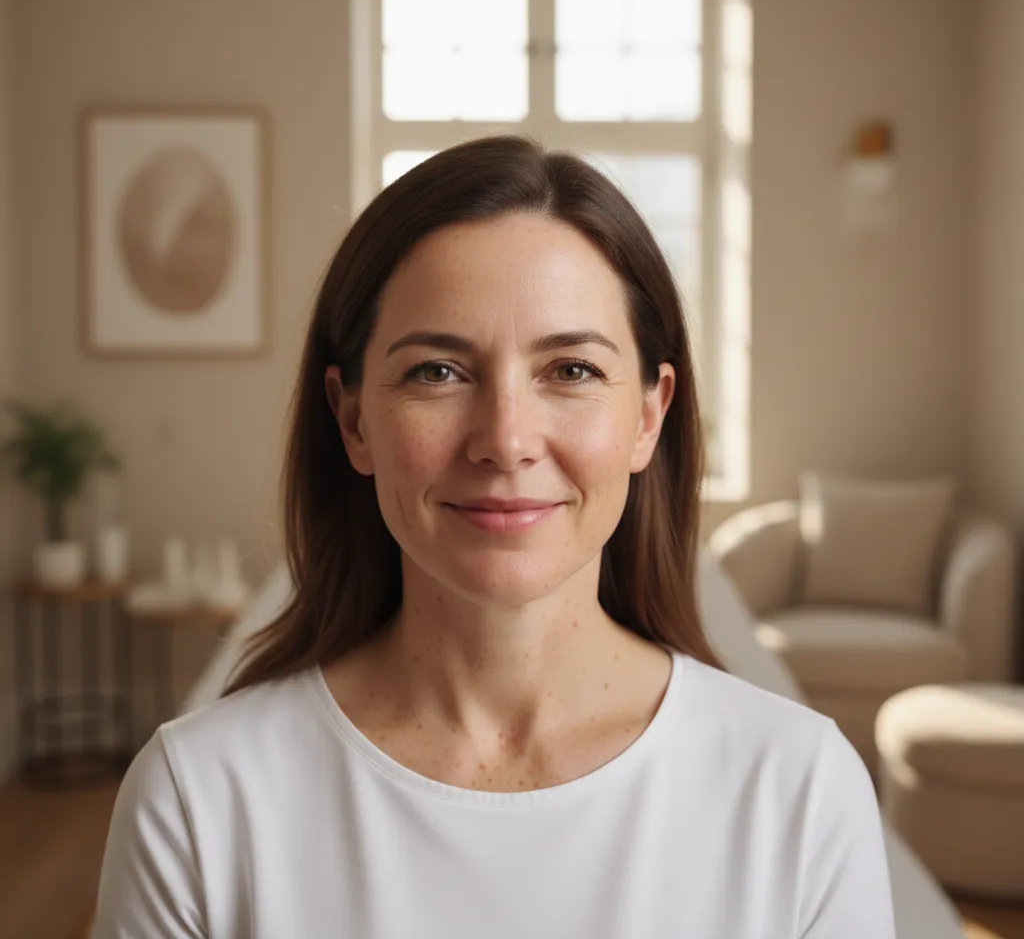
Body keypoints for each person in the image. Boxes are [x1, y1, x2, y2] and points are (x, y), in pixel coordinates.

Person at [92, 135, 896, 938]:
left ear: (649, 415)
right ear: (353, 420)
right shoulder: (197, 798)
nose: (506, 440)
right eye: (437, 372)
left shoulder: (799, 787)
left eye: (572, 370)